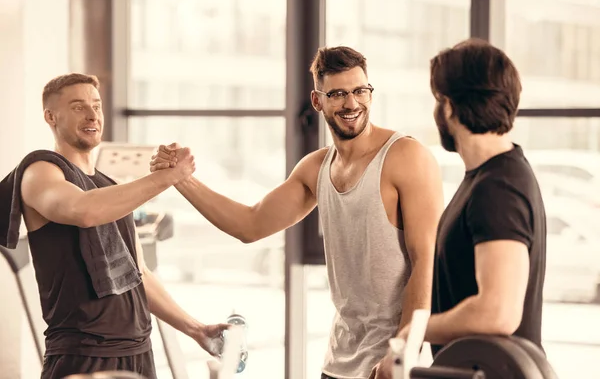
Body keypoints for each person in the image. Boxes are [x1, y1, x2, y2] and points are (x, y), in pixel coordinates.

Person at [150, 46, 445, 379]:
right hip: (340, 361)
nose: (351, 104)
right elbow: (250, 224)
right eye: (337, 94)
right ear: (318, 101)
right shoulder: (316, 168)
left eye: (360, 91)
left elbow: (426, 260)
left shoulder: (407, 156)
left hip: (394, 363)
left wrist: (402, 351)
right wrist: (181, 179)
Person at [2, 73, 228, 379]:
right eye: (79, 106)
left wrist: (196, 329)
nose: (93, 114)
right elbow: (82, 210)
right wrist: (167, 177)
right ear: (51, 116)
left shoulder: (108, 186)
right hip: (84, 354)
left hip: (138, 353)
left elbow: (138, 275)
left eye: (96, 105)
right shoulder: (41, 170)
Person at [392, 38, 547, 367]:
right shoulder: (489, 176)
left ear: (449, 106)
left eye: (438, 100)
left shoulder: (498, 188)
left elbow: (498, 312)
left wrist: (415, 331)